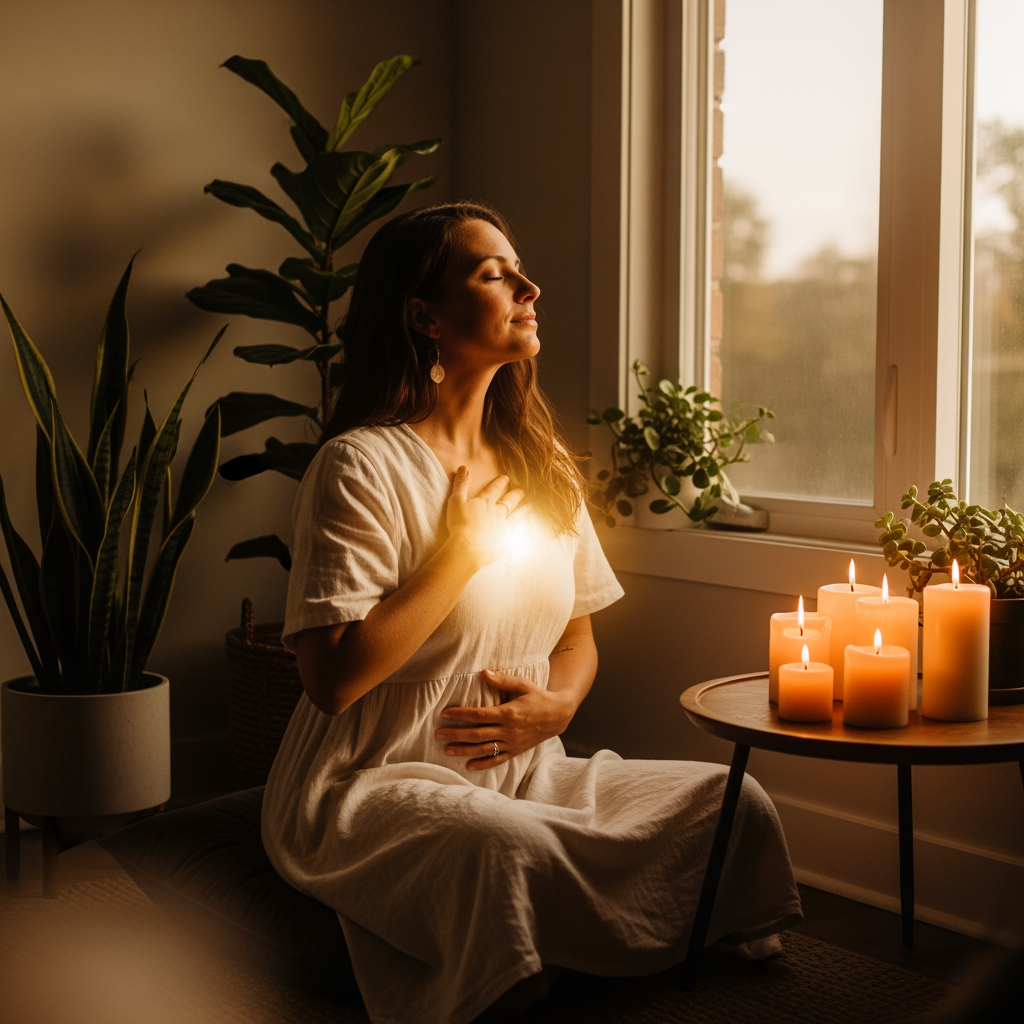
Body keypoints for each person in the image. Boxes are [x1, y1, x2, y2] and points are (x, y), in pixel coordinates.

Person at [261, 202, 802, 1024]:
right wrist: (459, 555)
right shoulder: (359, 465)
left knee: (731, 802)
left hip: (521, 769)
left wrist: (560, 707)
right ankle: (525, 961)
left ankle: (560, 934)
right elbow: (331, 681)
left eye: (519, 269)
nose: (529, 287)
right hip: (372, 779)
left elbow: (577, 637)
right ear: (425, 317)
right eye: (494, 274)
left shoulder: (538, 462)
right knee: (503, 849)